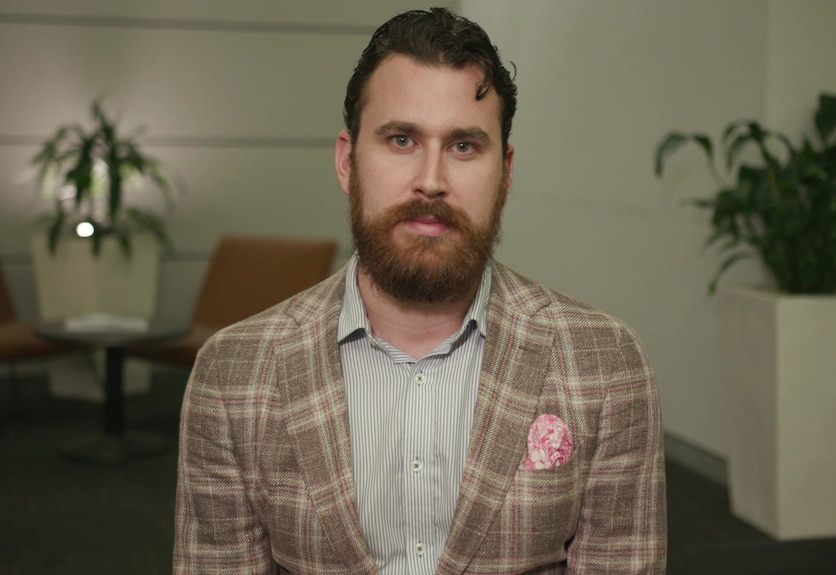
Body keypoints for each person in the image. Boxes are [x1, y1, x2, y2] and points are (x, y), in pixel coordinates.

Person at [173, 7, 666, 574]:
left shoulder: (605, 364)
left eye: (463, 146)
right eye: (401, 139)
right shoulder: (235, 374)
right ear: (346, 161)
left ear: (505, 174)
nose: (431, 179)